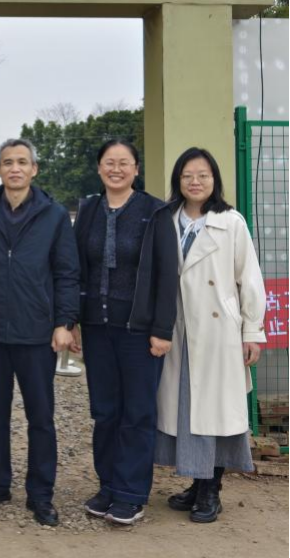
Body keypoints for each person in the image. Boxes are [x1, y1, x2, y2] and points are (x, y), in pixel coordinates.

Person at [0, 138, 79, 527]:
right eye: (7, 162)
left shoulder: (53, 215)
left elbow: (66, 272)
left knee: (40, 418)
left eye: (22, 162)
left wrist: (64, 322)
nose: (14, 168)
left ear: (34, 169)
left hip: (37, 333)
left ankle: (41, 494)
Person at [154, 147, 267, 523]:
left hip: (219, 333)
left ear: (214, 180)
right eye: (187, 175)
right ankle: (196, 483)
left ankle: (211, 490)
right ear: (178, 180)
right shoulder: (167, 219)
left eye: (203, 175)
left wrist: (252, 330)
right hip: (179, 330)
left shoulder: (230, 222)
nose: (195, 181)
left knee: (215, 412)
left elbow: (249, 277)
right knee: (188, 410)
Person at [73, 139, 178, 525]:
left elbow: (167, 274)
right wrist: (73, 320)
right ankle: (108, 485)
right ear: (99, 167)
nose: (115, 169)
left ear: (136, 169)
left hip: (139, 331)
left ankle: (131, 493)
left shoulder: (155, 211)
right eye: (108, 162)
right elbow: (76, 267)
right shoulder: (88, 210)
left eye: (124, 163)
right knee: (105, 412)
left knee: (137, 412)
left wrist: (162, 329)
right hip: (97, 328)